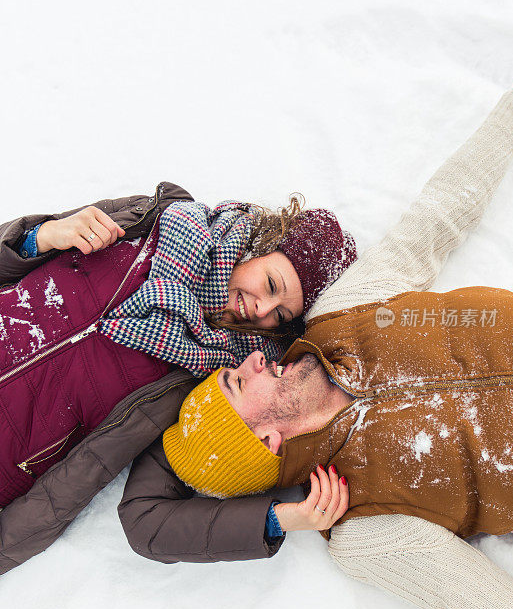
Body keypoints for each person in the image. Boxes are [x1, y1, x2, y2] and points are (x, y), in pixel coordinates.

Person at [118, 69, 513, 609]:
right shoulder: (359, 524)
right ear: (262, 438)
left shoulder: (342, 313)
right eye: (237, 381)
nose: (254, 360)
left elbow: (438, 218)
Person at [0, 189, 356, 557]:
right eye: (270, 284)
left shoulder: (216, 378)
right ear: (260, 247)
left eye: (280, 315)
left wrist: (277, 519)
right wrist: (38, 238)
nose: (262, 308)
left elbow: (147, 517)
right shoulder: (161, 219)